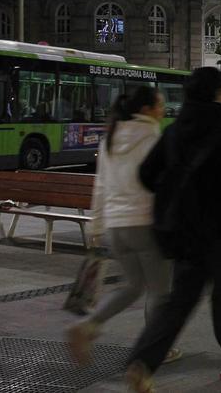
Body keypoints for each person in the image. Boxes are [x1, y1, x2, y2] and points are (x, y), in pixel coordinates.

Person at [126, 67, 221, 390]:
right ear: (216, 92)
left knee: (179, 302)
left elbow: (146, 174)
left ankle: (143, 363)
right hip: (220, 232)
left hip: (184, 233)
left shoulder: (173, 130)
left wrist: (174, 193)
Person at [67, 87, 180, 366]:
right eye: (159, 105)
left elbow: (101, 186)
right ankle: (154, 350)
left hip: (115, 229)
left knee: (132, 286)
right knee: (160, 291)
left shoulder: (110, 139)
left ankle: (88, 326)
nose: (163, 109)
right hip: (144, 224)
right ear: (145, 110)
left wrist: (95, 228)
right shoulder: (153, 137)